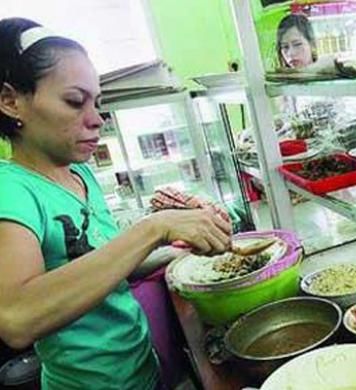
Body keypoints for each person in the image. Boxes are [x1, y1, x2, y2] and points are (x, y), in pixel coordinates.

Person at [0, 18, 232, 389]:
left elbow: (101, 266)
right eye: (75, 102)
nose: (96, 120)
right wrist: (153, 228)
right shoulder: (10, 189)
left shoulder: (80, 175)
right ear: (11, 101)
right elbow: (16, 316)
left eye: (98, 103)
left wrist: (173, 254)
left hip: (140, 369)